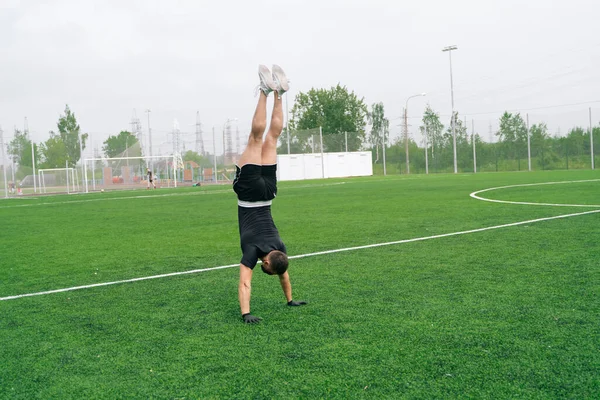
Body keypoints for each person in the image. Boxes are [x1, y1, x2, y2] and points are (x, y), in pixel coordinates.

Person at [233, 64, 307, 324]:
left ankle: (280, 94)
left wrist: (290, 299)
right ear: (267, 262)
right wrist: (246, 313)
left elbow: (283, 273)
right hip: (249, 192)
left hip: (269, 193)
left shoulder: (281, 249)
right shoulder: (254, 251)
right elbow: (245, 283)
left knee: (273, 138)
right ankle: (265, 90)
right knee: (256, 138)